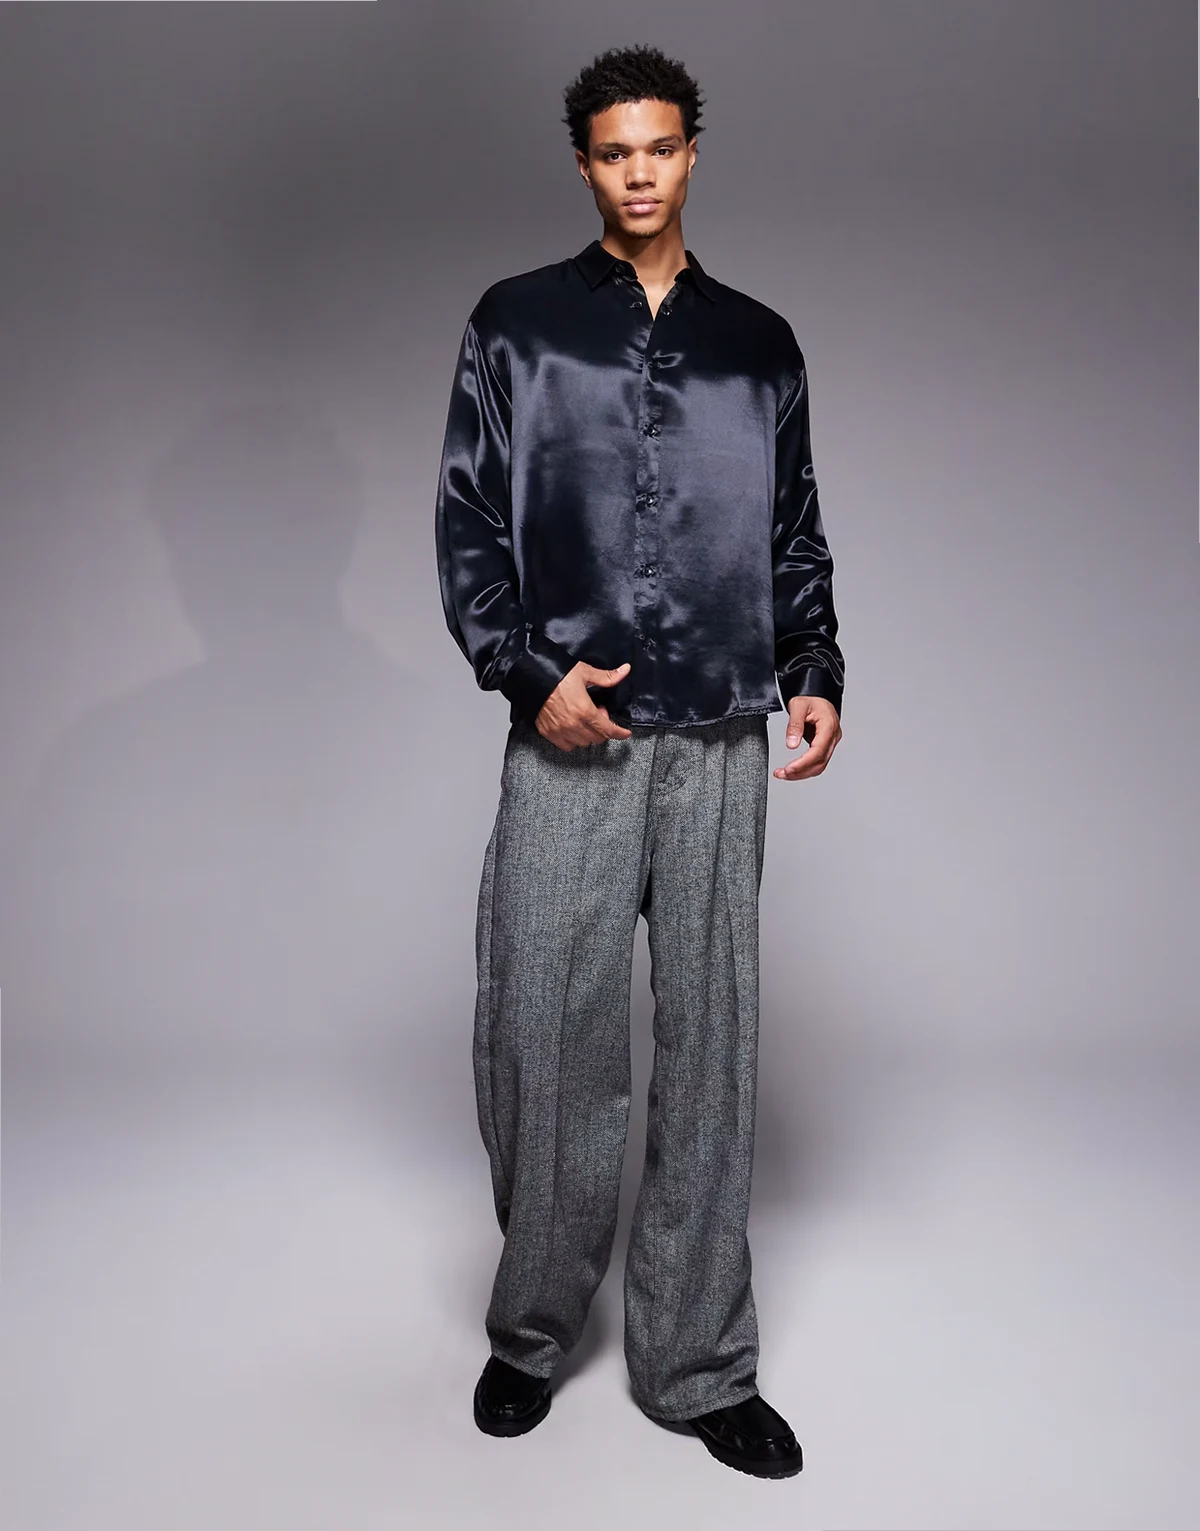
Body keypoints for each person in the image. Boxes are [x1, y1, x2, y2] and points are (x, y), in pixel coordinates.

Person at [433, 42, 844, 1480]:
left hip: (722, 729)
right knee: (546, 1035)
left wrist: (815, 671)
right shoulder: (517, 326)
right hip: (574, 733)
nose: (640, 172)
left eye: (660, 146)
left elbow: (795, 528)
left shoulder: (760, 344)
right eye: (615, 152)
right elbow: (470, 523)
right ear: (586, 164)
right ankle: (533, 1331)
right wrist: (527, 674)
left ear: (691, 152)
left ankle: (699, 1363)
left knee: (714, 1047)